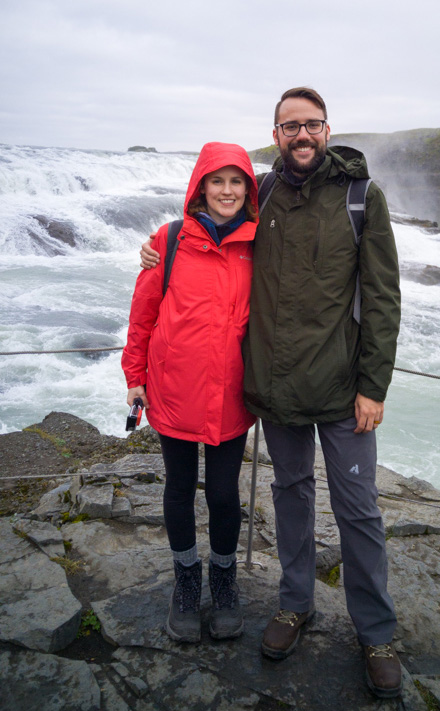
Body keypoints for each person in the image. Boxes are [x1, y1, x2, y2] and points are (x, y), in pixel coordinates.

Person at [139, 88, 402, 698]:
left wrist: (374, 385)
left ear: (328, 129)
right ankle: (294, 604)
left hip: (342, 388)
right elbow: (212, 233)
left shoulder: (363, 198)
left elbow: (384, 298)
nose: (301, 135)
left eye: (311, 124)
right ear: (277, 134)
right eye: (290, 126)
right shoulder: (262, 193)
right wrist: (155, 251)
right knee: (289, 494)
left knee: (359, 510)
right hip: (276, 386)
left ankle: (377, 633)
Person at [122, 142, 258, 645]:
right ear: (201, 187)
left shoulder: (261, 244)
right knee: (179, 489)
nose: (226, 191)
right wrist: (133, 376)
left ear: (248, 189)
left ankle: (223, 580)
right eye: (217, 181)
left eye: (236, 181)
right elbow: (144, 312)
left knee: (224, 494)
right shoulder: (170, 239)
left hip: (231, 394)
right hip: (174, 387)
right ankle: (186, 580)